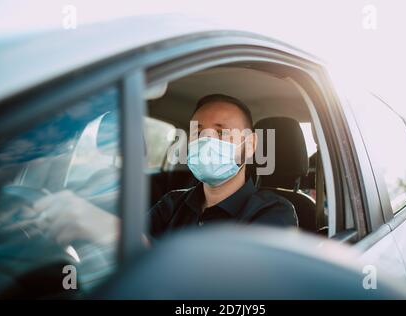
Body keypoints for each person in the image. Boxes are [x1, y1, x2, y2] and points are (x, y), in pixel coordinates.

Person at [25, 94, 298, 246]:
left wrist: (112, 231)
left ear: (249, 146)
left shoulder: (274, 213)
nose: (206, 141)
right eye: (198, 132)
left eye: (221, 132)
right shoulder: (172, 203)